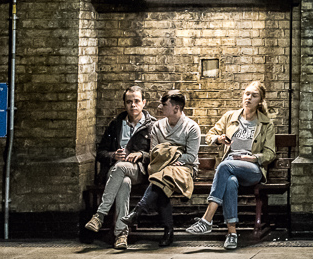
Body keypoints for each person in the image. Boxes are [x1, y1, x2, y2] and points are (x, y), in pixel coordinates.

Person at [184, 81, 277, 250]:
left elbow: (270, 153)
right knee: (230, 181)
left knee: (224, 166)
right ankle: (232, 234)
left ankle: (207, 219)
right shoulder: (230, 117)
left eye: (254, 96)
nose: (248, 98)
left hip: (252, 169)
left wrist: (253, 158)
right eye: (247, 94)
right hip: (230, 167)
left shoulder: (266, 124)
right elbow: (210, 135)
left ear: (260, 101)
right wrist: (218, 138)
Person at [119, 89, 200, 249]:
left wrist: (170, 157)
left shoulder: (191, 127)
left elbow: (190, 157)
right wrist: (171, 155)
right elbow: (154, 153)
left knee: (162, 179)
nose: (160, 107)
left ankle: (139, 212)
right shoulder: (157, 127)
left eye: (164, 104)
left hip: (185, 169)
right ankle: (167, 231)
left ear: (176, 108)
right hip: (161, 168)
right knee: (163, 182)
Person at [83, 86, 156, 239]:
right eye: (129, 102)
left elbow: (158, 154)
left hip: (139, 171)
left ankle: (100, 215)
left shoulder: (153, 126)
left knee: (122, 169)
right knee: (124, 182)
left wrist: (141, 155)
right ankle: (121, 234)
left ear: (144, 103)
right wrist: (113, 155)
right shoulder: (116, 124)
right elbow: (100, 153)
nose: (133, 105)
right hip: (115, 171)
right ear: (124, 104)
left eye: (136, 101)